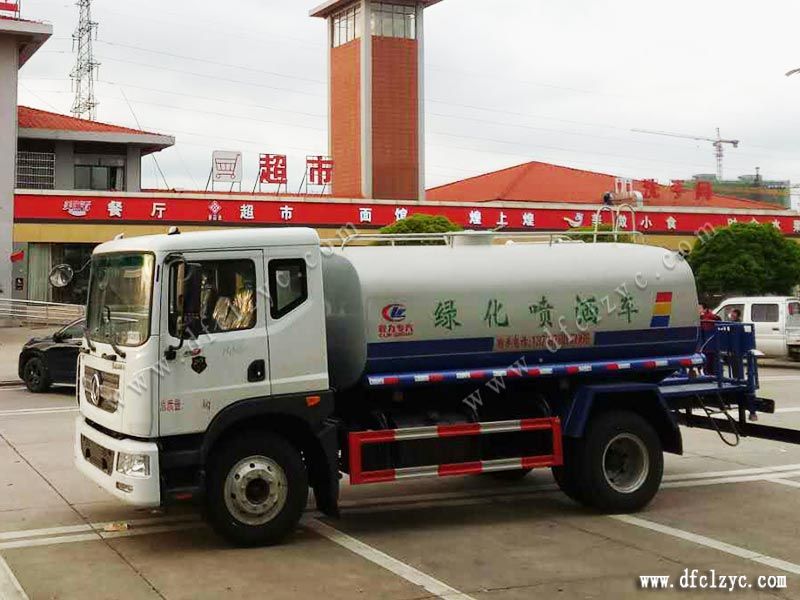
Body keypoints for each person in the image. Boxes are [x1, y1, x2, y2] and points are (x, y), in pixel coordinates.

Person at [699, 303, 721, 375]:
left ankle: (711, 374)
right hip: (704, 342)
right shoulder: (700, 317)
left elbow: (718, 319)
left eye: (700, 308)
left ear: (705, 309)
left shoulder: (709, 316)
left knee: (710, 360)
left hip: (710, 342)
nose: (698, 310)